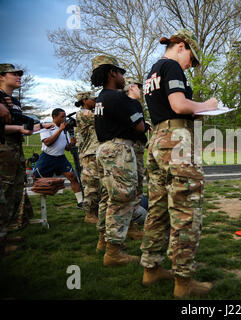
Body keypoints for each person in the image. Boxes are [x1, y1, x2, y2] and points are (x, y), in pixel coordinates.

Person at [140, 29, 217, 298]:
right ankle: (183, 281)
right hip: (175, 141)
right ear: (182, 47)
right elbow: (179, 104)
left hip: (157, 139)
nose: (190, 65)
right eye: (191, 60)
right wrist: (207, 105)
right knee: (186, 209)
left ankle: (150, 268)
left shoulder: (152, 71)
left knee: (158, 208)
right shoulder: (172, 66)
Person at [91, 55, 145, 266]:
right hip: (118, 150)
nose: (123, 76)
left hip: (104, 149)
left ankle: (104, 241)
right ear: (112, 73)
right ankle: (114, 252)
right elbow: (139, 126)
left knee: (109, 197)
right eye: (121, 72)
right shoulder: (118, 98)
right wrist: (136, 101)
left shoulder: (101, 99)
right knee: (122, 199)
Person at [0, 64, 54, 257]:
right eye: (14, 74)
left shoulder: (13, 100)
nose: (19, 77)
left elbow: (19, 123)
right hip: (3, 148)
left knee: (14, 191)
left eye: (19, 74)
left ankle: (5, 234)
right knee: (3, 192)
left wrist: (40, 126)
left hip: (14, 149)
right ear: (1, 76)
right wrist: (19, 130)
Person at [33, 108, 83, 208]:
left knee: (72, 177)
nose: (64, 119)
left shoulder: (65, 131)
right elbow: (48, 143)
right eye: (62, 117)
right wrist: (59, 130)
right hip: (47, 157)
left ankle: (81, 202)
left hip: (61, 158)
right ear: (54, 117)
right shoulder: (47, 128)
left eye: (65, 116)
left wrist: (71, 143)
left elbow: (66, 148)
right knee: (36, 178)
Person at [123, 76, 151, 240]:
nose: (141, 90)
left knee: (138, 184)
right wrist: (143, 126)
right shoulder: (128, 104)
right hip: (130, 149)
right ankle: (131, 223)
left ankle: (133, 223)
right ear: (131, 88)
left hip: (138, 148)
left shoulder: (136, 105)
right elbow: (134, 127)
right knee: (132, 185)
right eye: (138, 87)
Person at [75, 91, 100, 224]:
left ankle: (95, 212)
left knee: (98, 184)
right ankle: (89, 214)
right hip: (89, 154)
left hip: (95, 152)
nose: (95, 101)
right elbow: (101, 117)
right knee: (91, 185)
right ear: (85, 101)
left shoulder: (90, 112)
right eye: (93, 99)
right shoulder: (83, 113)